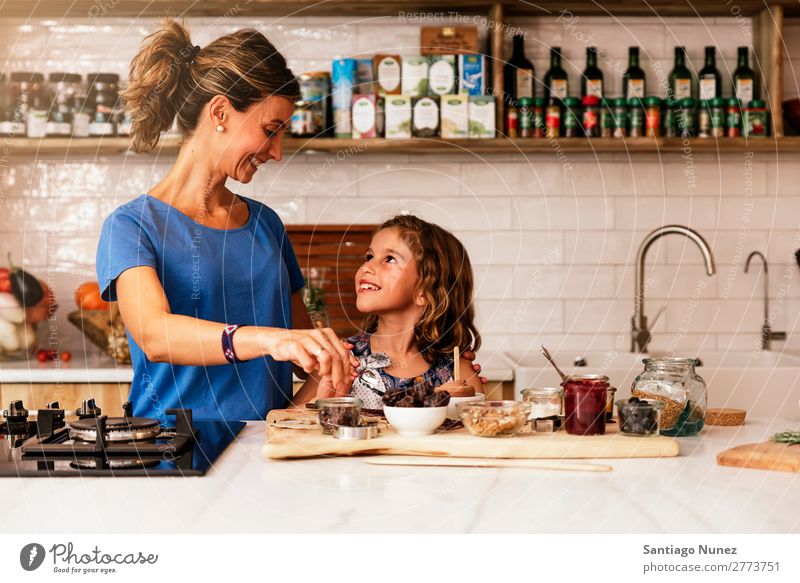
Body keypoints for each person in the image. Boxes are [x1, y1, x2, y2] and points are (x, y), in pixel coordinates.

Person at [96, 20, 356, 421]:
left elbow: (303, 353)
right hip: (172, 454)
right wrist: (268, 340)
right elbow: (155, 335)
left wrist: (344, 365)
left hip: (264, 452)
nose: (276, 152)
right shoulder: (132, 226)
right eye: (271, 130)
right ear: (220, 112)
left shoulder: (266, 225)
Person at [294, 215, 483, 409]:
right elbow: (281, 422)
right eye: (369, 257)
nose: (367, 266)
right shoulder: (343, 360)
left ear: (425, 291)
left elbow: (475, 432)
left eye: (390, 259)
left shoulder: (457, 371)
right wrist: (322, 404)